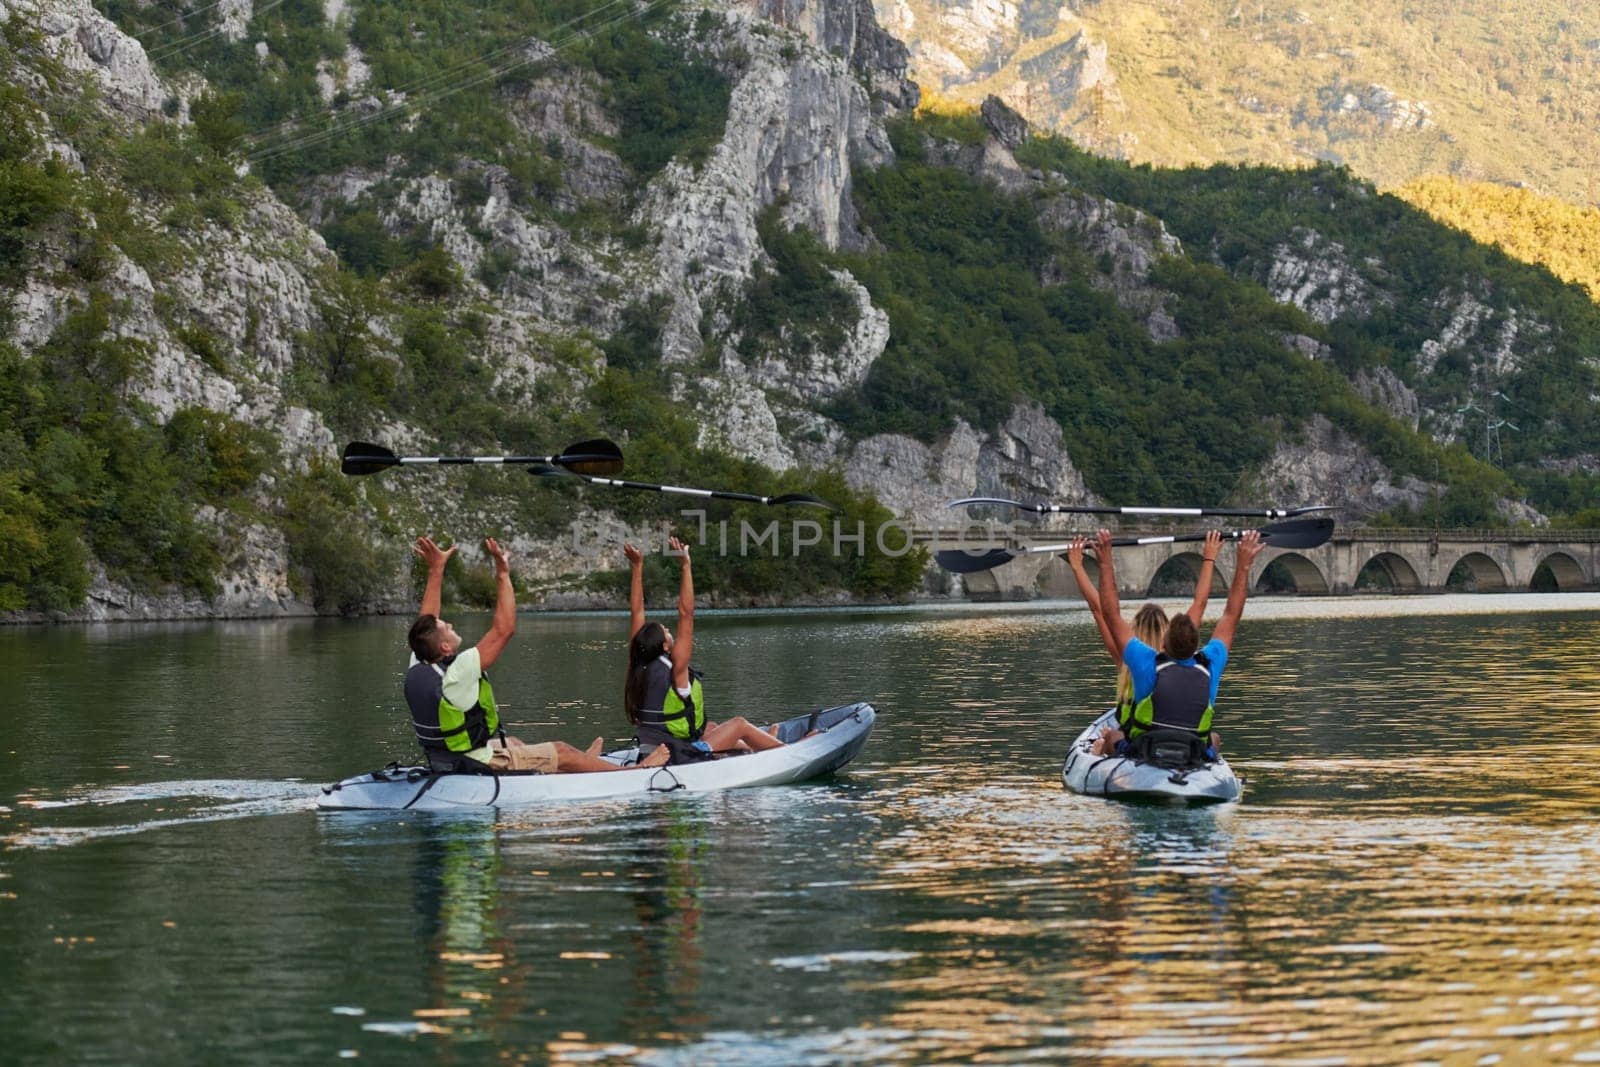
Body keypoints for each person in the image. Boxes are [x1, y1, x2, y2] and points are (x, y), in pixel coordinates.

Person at [407, 535, 667, 774]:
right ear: (444, 647)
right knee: (561, 749)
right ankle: (631, 771)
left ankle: (582, 764)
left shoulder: (419, 664)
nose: (449, 624)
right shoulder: (458, 672)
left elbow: (426, 624)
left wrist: (436, 569)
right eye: (447, 627)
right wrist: (502, 571)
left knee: (516, 743)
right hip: (477, 762)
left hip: (445, 757)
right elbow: (504, 629)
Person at [1092, 527, 1266, 763]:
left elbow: (1111, 614)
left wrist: (1104, 563)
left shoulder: (1146, 663)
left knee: (1113, 736)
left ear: (1164, 643)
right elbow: (1231, 615)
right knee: (1213, 738)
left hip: (1146, 750)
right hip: (1192, 751)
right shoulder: (1210, 662)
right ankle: (1209, 761)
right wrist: (1244, 565)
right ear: (1196, 646)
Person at [623, 537, 788, 763]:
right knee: (738, 724)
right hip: (677, 756)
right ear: (664, 645)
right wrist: (685, 566)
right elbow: (686, 614)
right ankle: (787, 751)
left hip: (650, 751)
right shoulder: (676, 669)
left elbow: (636, 612)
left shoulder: (637, 664)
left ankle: (759, 747)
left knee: (711, 727)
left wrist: (637, 567)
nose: (669, 630)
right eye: (666, 630)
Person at [1067, 530, 1222, 755]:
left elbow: (1101, 610)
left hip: (1137, 744)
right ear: (1167, 631)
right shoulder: (1178, 652)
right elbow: (1200, 604)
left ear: (1134, 629)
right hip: (1175, 742)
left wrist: (1078, 567)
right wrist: (1209, 558)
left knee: (1105, 740)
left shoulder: (1126, 657)